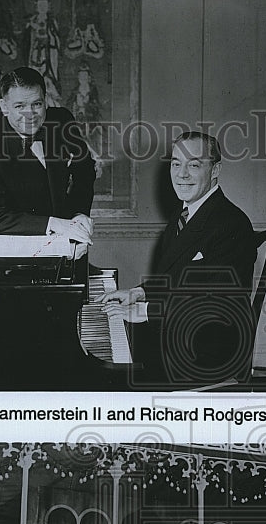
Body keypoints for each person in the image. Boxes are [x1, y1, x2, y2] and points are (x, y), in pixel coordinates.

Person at [101, 131, 257, 387]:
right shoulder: (182, 216)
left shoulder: (232, 224)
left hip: (206, 350)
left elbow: (214, 305)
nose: (181, 174)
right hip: (177, 334)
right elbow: (176, 281)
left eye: (194, 165)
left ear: (215, 169)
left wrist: (144, 311)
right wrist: (139, 293)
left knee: (111, 379)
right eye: (176, 164)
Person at [0, 66, 96, 244]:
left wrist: (79, 213)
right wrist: (54, 224)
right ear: (4, 107)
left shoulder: (61, 120)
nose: (30, 115)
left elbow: (85, 168)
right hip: (12, 249)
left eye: (37, 104)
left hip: (67, 240)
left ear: (46, 101)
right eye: (20, 106)